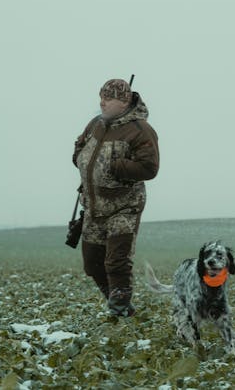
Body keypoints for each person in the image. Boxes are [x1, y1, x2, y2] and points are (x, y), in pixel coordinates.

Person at [73, 78, 159, 317]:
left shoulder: (140, 130)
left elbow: (150, 168)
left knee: (117, 261)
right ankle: (118, 302)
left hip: (124, 206)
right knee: (92, 263)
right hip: (93, 206)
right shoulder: (95, 125)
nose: (101, 103)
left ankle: (119, 309)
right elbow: (80, 149)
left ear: (122, 102)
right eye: (100, 97)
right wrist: (79, 157)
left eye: (107, 99)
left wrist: (116, 166)